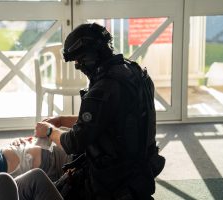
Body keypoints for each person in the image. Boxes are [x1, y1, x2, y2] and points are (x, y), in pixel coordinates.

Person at [34, 22, 165, 200]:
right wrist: (62, 119)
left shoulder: (104, 88)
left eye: (78, 60)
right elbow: (107, 120)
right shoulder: (135, 71)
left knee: (52, 188)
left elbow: (74, 142)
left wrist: (49, 131)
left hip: (113, 178)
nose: (78, 66)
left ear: (90, 56)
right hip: (140, 170)